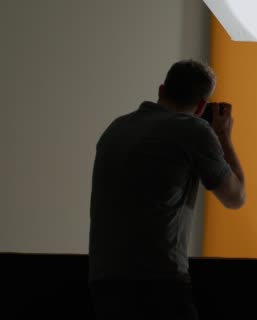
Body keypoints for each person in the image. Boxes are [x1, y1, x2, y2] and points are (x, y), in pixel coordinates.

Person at [88, 59, 246, 320]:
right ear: (201, 106)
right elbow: (235, 197)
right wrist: (224, 137)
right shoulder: (193, 130)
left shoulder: (115, 129)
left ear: (162, 90)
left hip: (104, 281)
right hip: (158, 280)